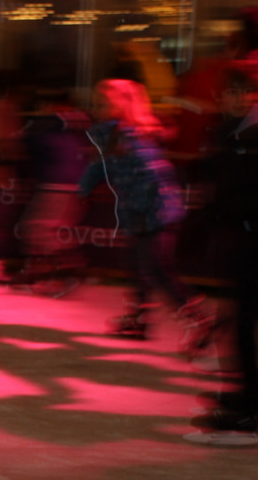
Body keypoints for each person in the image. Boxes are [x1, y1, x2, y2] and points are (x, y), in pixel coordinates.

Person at [79, 79, 209, 345]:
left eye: (103, 104)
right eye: (96, 103)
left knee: (157, 268)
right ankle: (140, 317)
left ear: (122, 105)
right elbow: (99, 167)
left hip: (156, 211)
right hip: (145, 210)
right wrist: (83, 188)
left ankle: (199, 320)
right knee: (137, 265)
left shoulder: (133, 135)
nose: (97, 109)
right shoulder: (115, 135)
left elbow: (151, 176)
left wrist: (141, 208)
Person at [187, 67, 258, 444]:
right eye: (231, 92)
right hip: (244, 240)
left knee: (246, 324)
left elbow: (256, 194)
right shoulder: (229, 133)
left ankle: (249, 410)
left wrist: (220, 212)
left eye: (243, 92)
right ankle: (247, 397)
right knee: (241, 323)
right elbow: (219, 175)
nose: (237, 98)